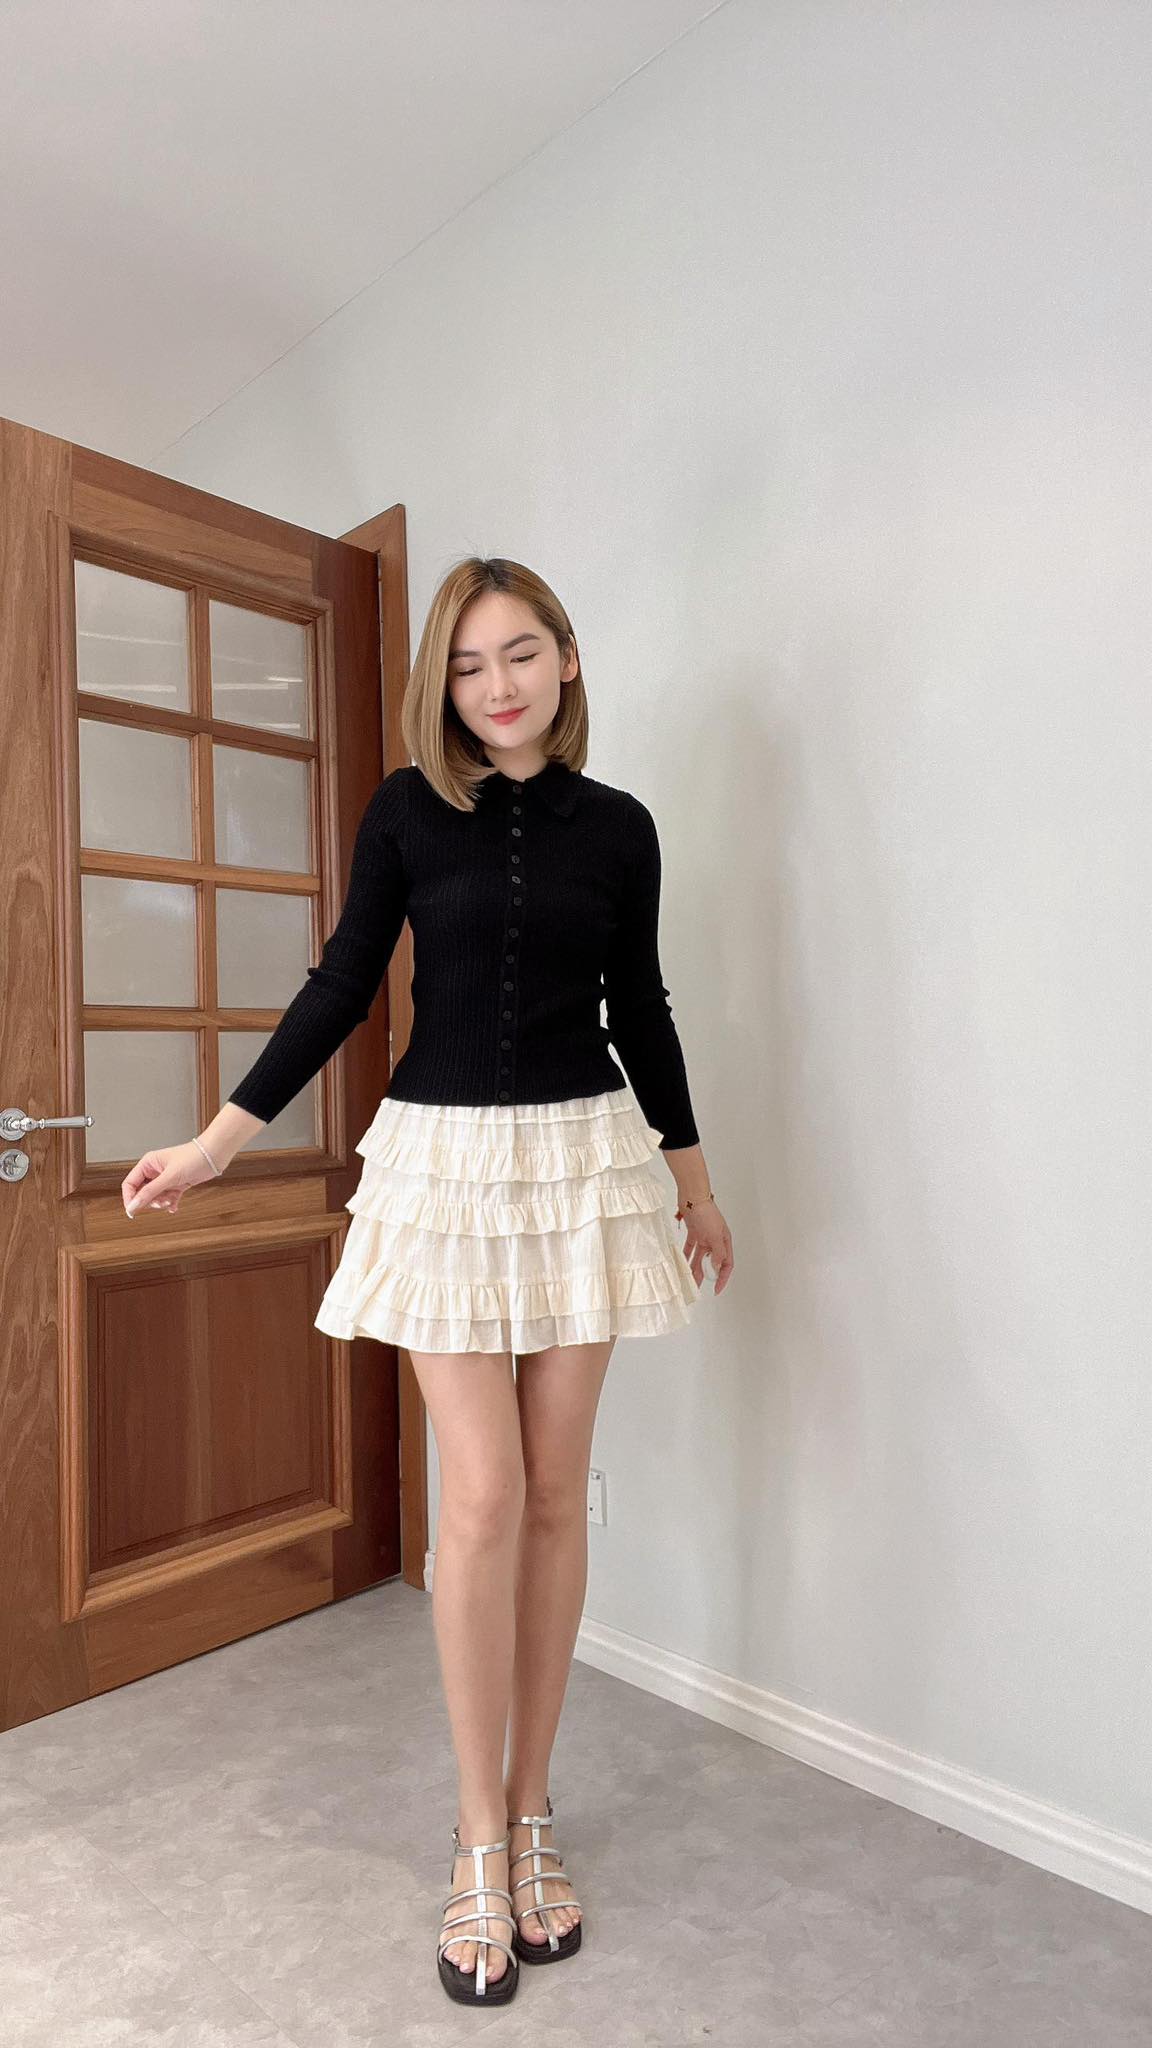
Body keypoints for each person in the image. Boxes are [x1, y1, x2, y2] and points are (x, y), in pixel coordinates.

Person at [121, 556, 734, 2007]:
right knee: (481, 1495)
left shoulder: (622, 828)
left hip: (583, 1166)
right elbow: (344, 980)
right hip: (442, 1169)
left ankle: (532, 1812)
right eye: (467, 664)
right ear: (440, 686)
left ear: (566, 661)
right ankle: (473, 1834)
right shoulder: (406, 811)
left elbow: (640, 1007)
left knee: (552, 1493)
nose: (497, 685)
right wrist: (215, 1142)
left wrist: (698, 1186)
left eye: (520, 653)